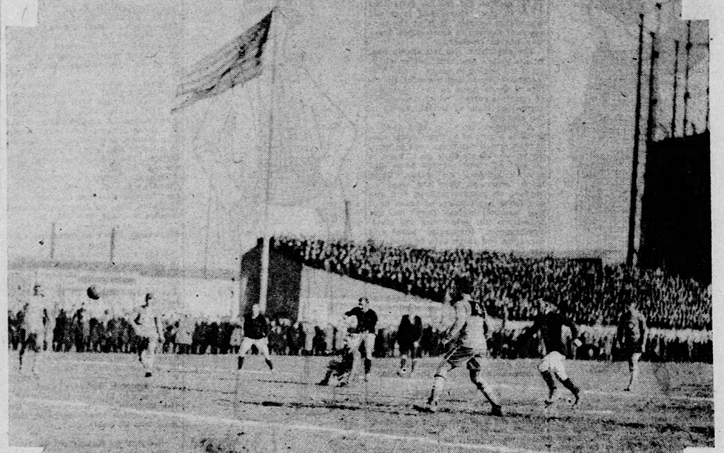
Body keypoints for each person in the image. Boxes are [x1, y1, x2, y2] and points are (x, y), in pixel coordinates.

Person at [420, 277, 502, 415]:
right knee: (477, 377)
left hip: (467, 343)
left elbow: (459, 322)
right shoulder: (479, 305)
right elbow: (490, 328)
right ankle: (496, 405)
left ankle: (433, 403)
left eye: (455, 288)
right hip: (481, 345)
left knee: (442, 367)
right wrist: (483, 338)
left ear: (459, 289)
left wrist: (446, 339)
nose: (453, 291)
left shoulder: (461, 304)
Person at [521, 298, 583, 407]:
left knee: (542, 366)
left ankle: (554, 391)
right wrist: (520, 339)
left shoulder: (555, 316)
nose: (537, 307)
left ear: (547, 306)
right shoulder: (540, 319)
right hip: (552, 352)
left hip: (559, 350)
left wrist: (575, 338)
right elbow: (532, 331)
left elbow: (572, 325)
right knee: (561, 376)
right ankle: (577, 393)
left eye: (539, 305)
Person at [340, 297, 378, 385]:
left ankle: (367, 373)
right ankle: (347, 372)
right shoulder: (356, 310)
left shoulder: (372, 314)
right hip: (359, 334)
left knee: (368, 351)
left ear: (367, 304)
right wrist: (346, 318)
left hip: (369, 333)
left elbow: (372, 325)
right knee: (352, 351)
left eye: (362, 305)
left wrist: (365, 332)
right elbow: (347, 314)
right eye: (360, 304)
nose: (360, 306)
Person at [617, 302, 647, 391]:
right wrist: (620, 342)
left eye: (629, 305)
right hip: (628, 343)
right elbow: (620, 330)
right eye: (627, 305)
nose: (627, 307)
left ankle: (632, 384)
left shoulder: (640, 316)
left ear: (634, 306)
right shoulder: (624, 317)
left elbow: (644, 331)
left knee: (633, 360)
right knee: (631, 362)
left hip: (637, 342)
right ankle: (634, 380)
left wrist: (643, 344)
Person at [18, 284, 47, 375]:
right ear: (34, 290)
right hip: (28, 324)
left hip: (38, 325)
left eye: (39, 289)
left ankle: (35, 368)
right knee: (24, 346)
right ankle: (22, 366)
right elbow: (22, 311)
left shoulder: (43, 301)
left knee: (39, 346)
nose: (38, 291)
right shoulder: (29, 299)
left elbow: (46, 315)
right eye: (36, 289)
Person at [132, 293, 162, 377]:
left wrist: (161, 335)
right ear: (146, 300)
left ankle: (149, 370)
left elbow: (158, 323)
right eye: (148, 299)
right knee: (141, 356)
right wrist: (136, 328)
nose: (150, 301)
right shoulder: (139, 309)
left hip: (152, 334)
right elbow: (130, 319)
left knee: (150, 352)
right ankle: (147, 367)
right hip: (141, 334)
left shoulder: (156, 311)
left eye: (152, 299)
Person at [237, 303, 274, 372]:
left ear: (259, 309)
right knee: (241, 351)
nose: (253, 309)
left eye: (255, 308)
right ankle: (239, 368)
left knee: (266, 353)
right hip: (249, 338)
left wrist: (265, 337)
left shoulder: (262, 318)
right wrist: (243, 332)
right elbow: (244, 325)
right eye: (253, 308)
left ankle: (272, 368)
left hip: (259, 338)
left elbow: (266, 328)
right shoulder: (247, 316)